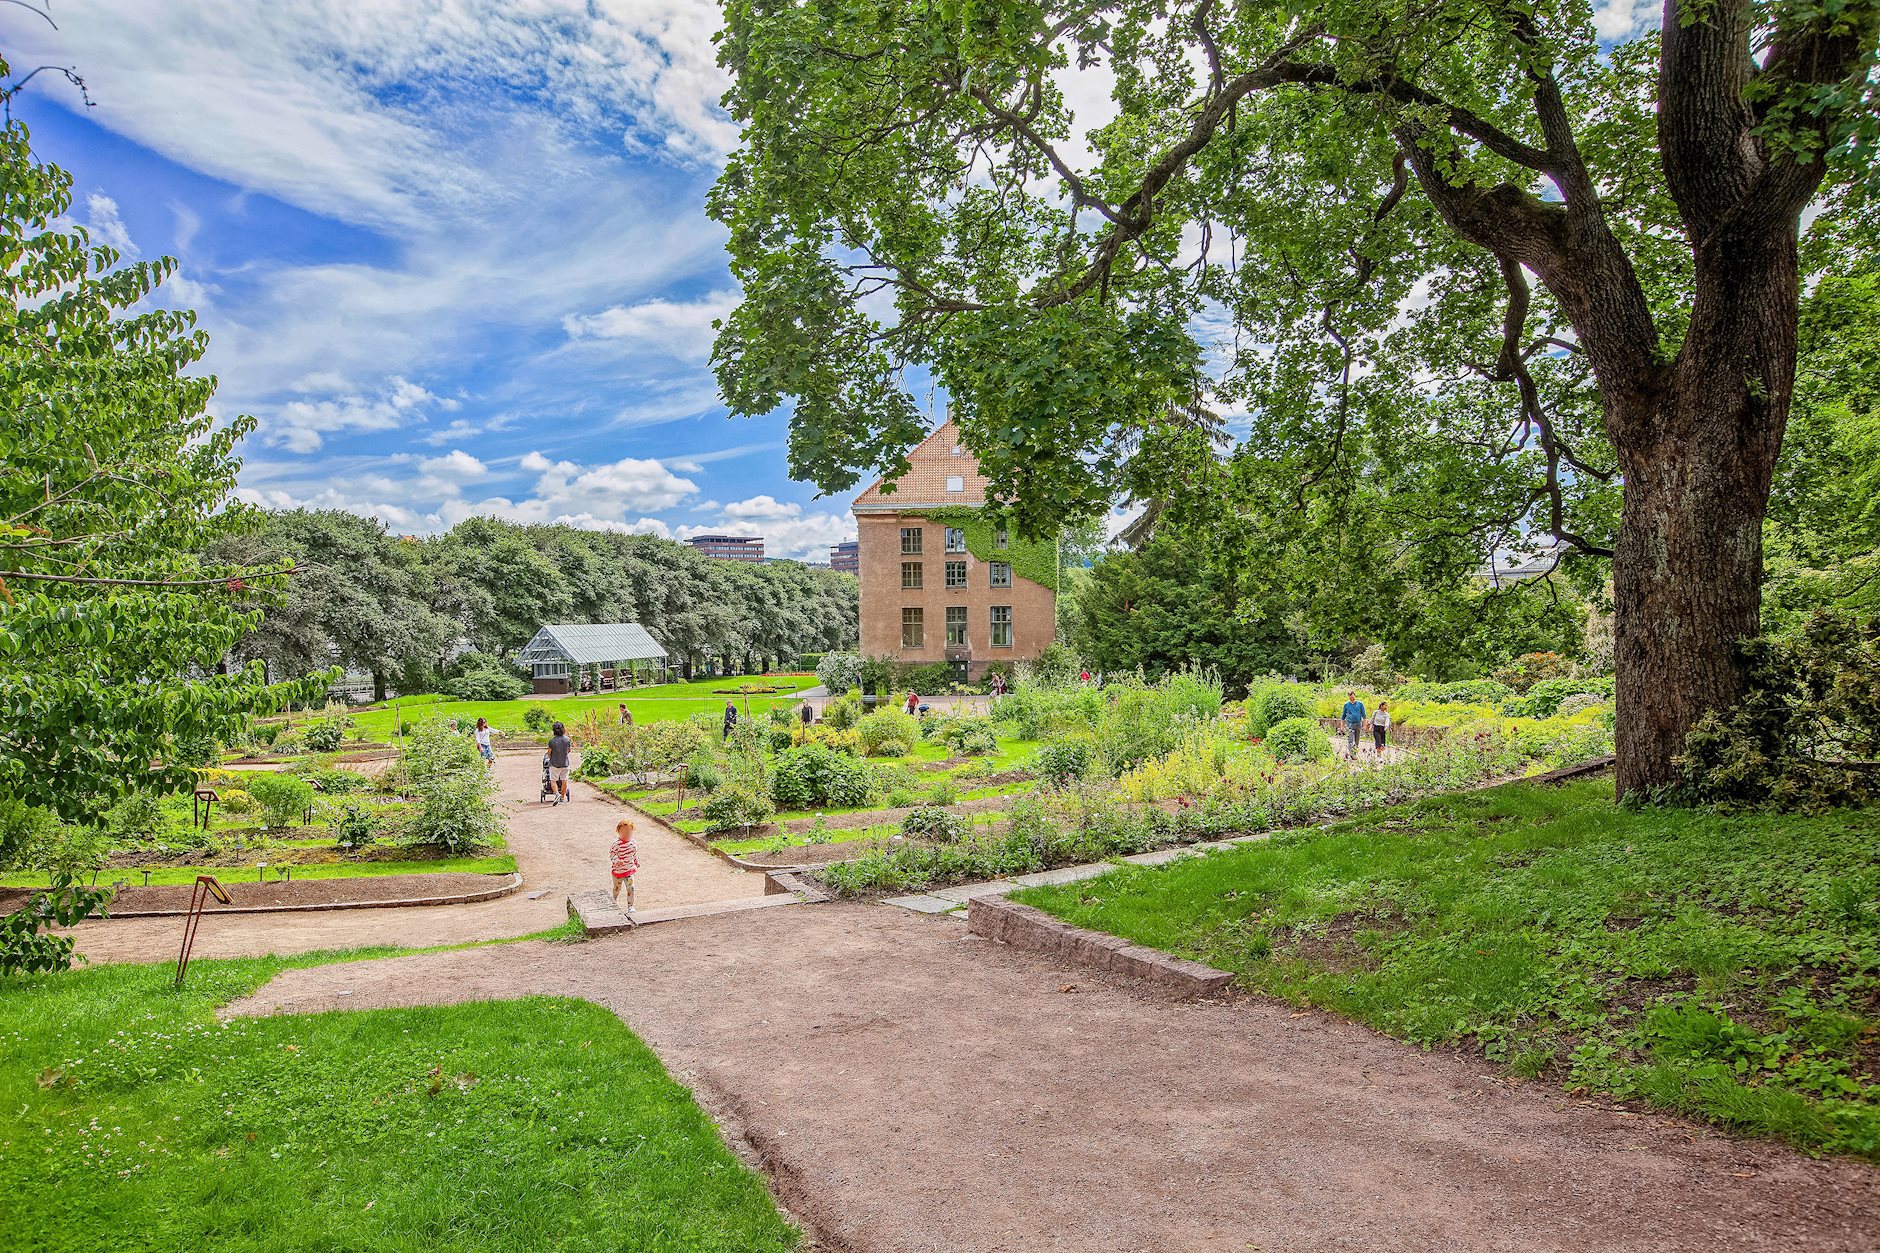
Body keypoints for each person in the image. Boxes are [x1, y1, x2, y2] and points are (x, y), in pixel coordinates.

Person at [610, 818, 639, 912]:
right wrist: (616, 861)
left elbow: (634, 853)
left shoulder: (633, 843)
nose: (627, 834)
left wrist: (636, 861)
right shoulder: (616, 844)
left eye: (629, 832)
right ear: (618, 832)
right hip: (618, 872)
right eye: (624, 832)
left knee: (631, 887)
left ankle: (630, 906)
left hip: (629, 870)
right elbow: (612, 854)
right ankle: (614, 899)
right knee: (617, 888)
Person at [546, 721, 573, 804]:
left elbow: (549, 753)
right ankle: (562, 797)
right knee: (564, 780)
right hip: (565, 763)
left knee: (553, 780)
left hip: (555, 764)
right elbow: (569, 751)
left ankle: (557, 794)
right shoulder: (567, 740)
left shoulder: (552, 741)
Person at [1340, 690, 1367, 757]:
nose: (1352, 698)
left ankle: (1354, 752)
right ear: (1348, 697)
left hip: (1358, 723)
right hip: (1350, 724)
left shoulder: (1360, 704)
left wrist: (1365, 725)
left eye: (1353, 696)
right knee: (1350, 739)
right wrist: (1342, 727)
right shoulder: (1346, 705)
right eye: (1350, 697)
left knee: (1357, 740)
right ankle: (1352, 754)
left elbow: (1364, 715)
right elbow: (1343, 717)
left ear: (1354, 696)